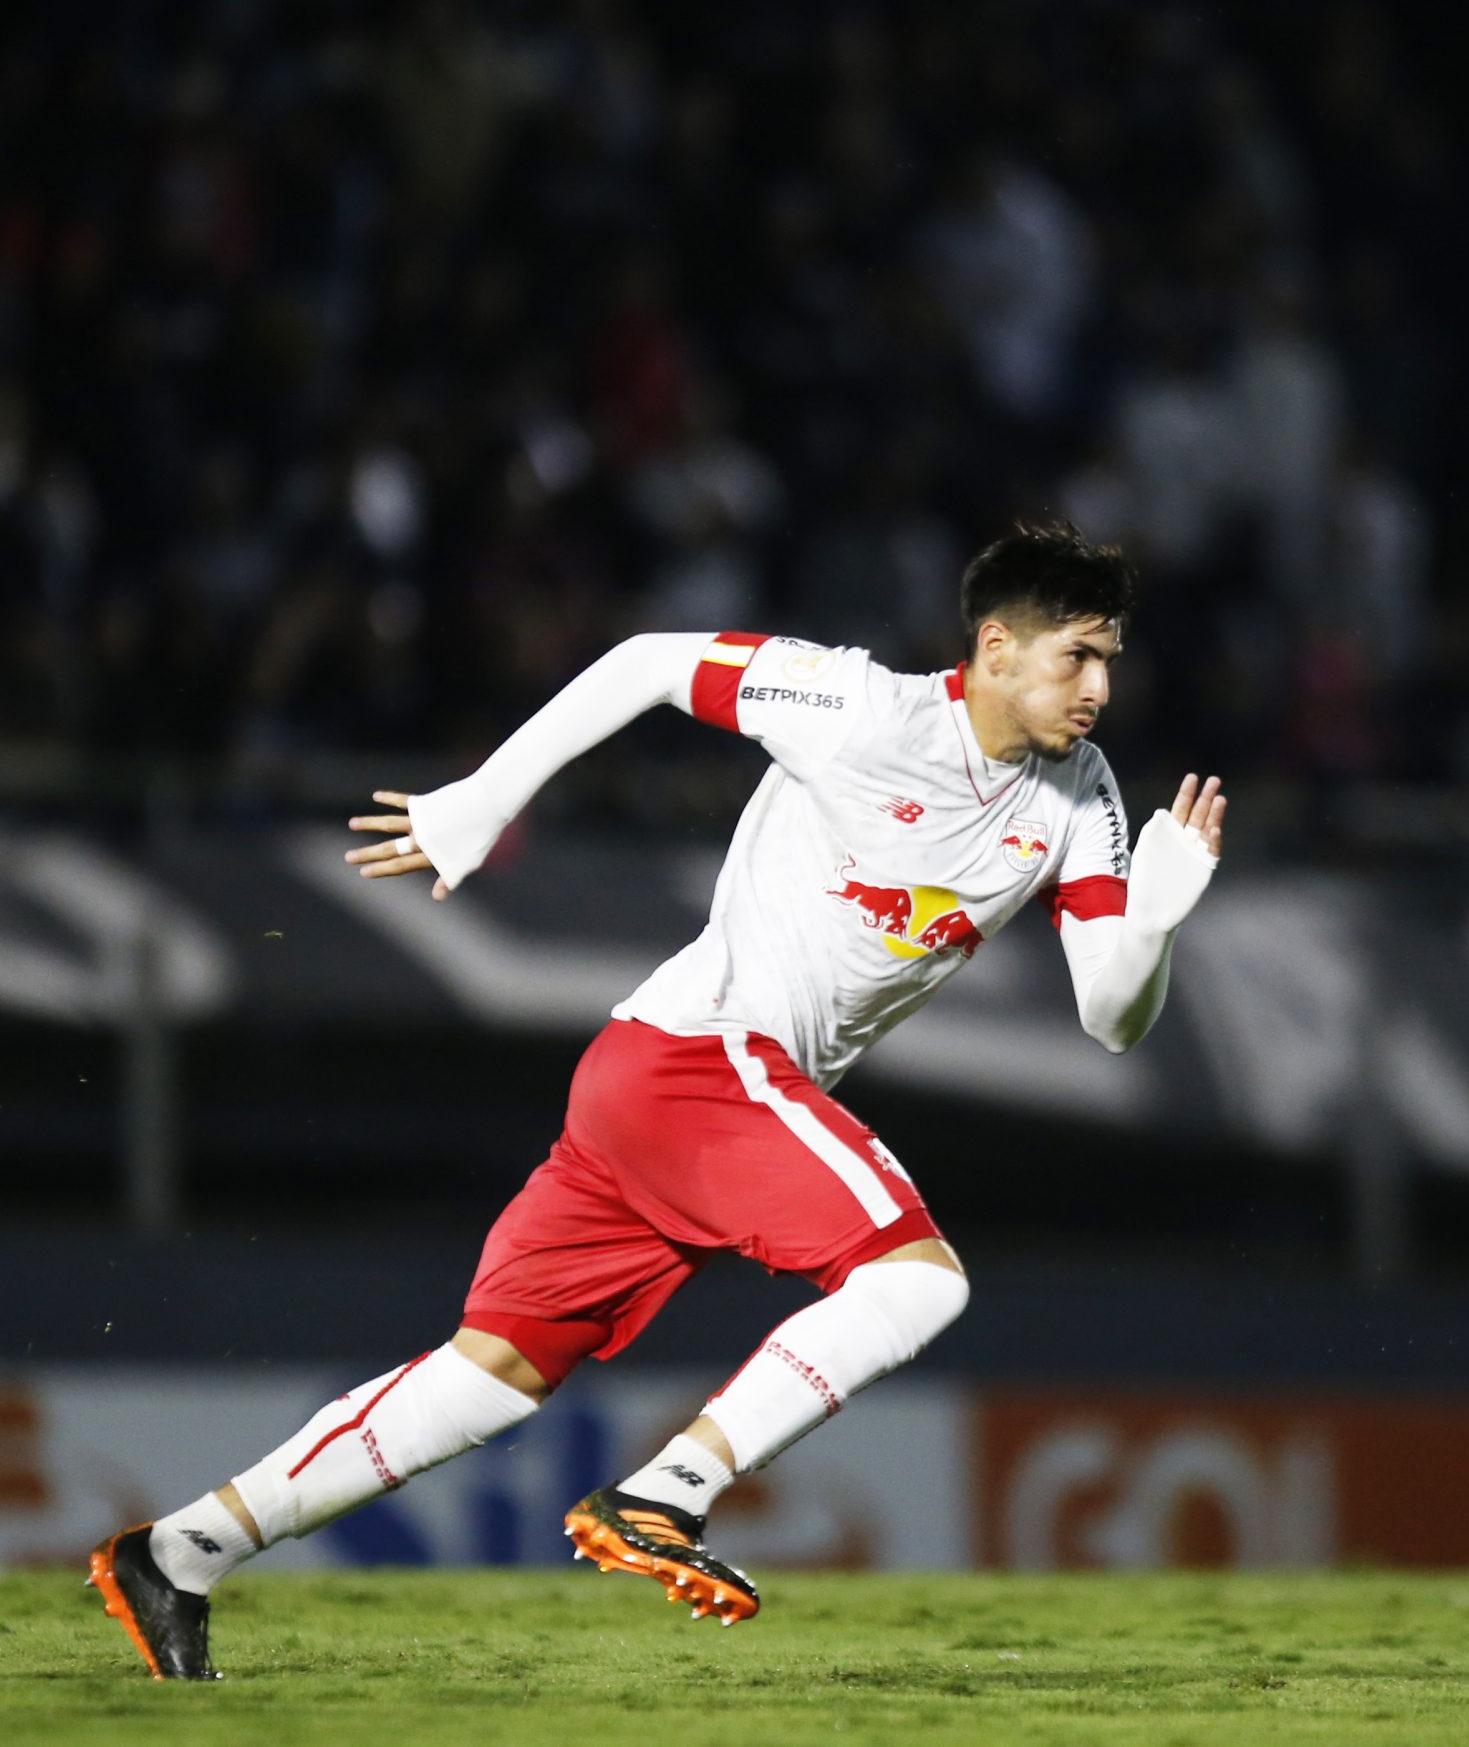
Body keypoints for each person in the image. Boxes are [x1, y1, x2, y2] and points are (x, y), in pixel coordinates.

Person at [87, 521, 1225, 1680]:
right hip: (703, 1057)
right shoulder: (862, 708)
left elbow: (1110, 1017)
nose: (1101, 686)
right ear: (995, 645)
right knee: (914, 1280)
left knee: (486, 1380)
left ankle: (180, 1550)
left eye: (1112, 657)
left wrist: (1153, 927)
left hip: (670, 1091)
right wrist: (487, 797)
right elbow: (649, 664)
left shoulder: (1081, 796)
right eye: (1079, 654)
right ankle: (667, 1492)